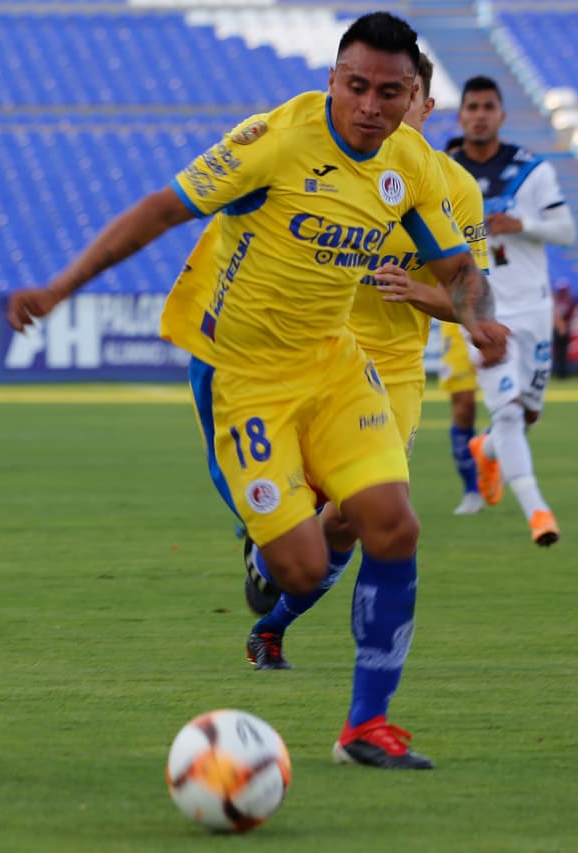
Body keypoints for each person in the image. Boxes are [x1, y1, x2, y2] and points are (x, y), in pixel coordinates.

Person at [8, 12, 506, 770]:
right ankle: (266, 559)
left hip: (334, 364)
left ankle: (364, 726)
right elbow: (161, 210)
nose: (371, 106)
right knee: (303, 567)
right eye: (356, 86)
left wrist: (481, 320)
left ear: (413, 96)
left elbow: (461, 271)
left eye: (390, 92)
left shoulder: (412, 165)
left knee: (393, 524)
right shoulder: (275, 139)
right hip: (243, 373)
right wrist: (61, 284)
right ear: (332, 80)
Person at [240, 51, 489, 670]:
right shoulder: (330, 167)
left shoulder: (454, 190)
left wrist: (421, 292)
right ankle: (270, 534)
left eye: (403, 96)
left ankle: (272, 628)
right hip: (321, 356)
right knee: (304, 511)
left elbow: (472, 301)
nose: (385, 108)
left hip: (398, 372)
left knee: (357, 519)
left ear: (424, 106)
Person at [452, 75, 576, 546]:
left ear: (501, 115)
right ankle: (539, 514)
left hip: (534, 308)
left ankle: (487, 448)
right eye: (472, 107)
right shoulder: (444, 172)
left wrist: (521, 223)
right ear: (460, 115)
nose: (480, 114)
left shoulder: (532, 170)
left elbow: (567, 230)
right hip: (482, 308)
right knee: (505, 412)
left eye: (488, 107)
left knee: (526, 415)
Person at [439, 321, 483, 514]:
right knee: (464, 405)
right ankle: (472, 489)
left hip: (505, 312)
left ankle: (490, 449)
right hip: (457, 321)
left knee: (519, 406)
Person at [552, 280, 577, 380]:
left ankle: (562, 373)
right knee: (559, 352)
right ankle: (560, 373)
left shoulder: (567, 302)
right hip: (558, 329)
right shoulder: (560, 301)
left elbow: (572, 316)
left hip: (563, 329)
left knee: (562, 352)